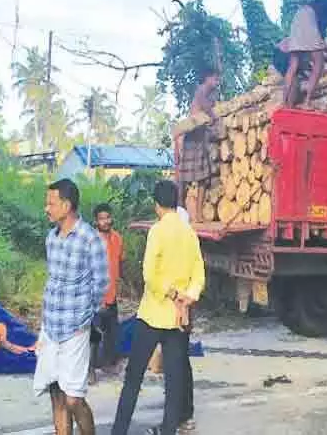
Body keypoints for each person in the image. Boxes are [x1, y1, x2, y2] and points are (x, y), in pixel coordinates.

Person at [111, 180, 205, 435]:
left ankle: (119, 430)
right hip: (178, 318)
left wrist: (172, 293)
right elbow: (199, 274)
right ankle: (168, 431)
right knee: (174, 381)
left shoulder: (158, 231)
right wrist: (188, 297)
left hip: (153, 314)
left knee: (134, 377)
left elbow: (149, 275)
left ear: (156, 204)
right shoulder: (190, 233)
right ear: (176, 202)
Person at [33, 178, 108, 435]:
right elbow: (53, 280)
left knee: (73, 398)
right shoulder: (51, 239)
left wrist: (84, 321)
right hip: (51, 327)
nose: (46, 208)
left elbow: (101, 284)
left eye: (51, 203)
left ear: (66, 205)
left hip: (75, 330)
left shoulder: (90, 239)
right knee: (56, 393)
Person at [88, 203, 125, 385]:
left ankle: (108, 364)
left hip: (112, 295)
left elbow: (119, 263)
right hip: (95, 297)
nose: (105, 221)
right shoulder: (91, 240)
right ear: (96, 221)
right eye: (101, 218)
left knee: (112, 332)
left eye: (108, 217)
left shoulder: (117, 238)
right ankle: (90, 370)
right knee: (93, 335)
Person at [177, 69, 220, 223]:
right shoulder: (200, 92)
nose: (217, 82)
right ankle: (178, 209)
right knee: (184, 179)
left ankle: (199, 214)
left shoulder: (209, 96)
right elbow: (207, 109)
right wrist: (215, 116)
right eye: (215, 79)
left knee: (203, 178)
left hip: (201, 139)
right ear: (207, 78)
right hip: (192, 140)